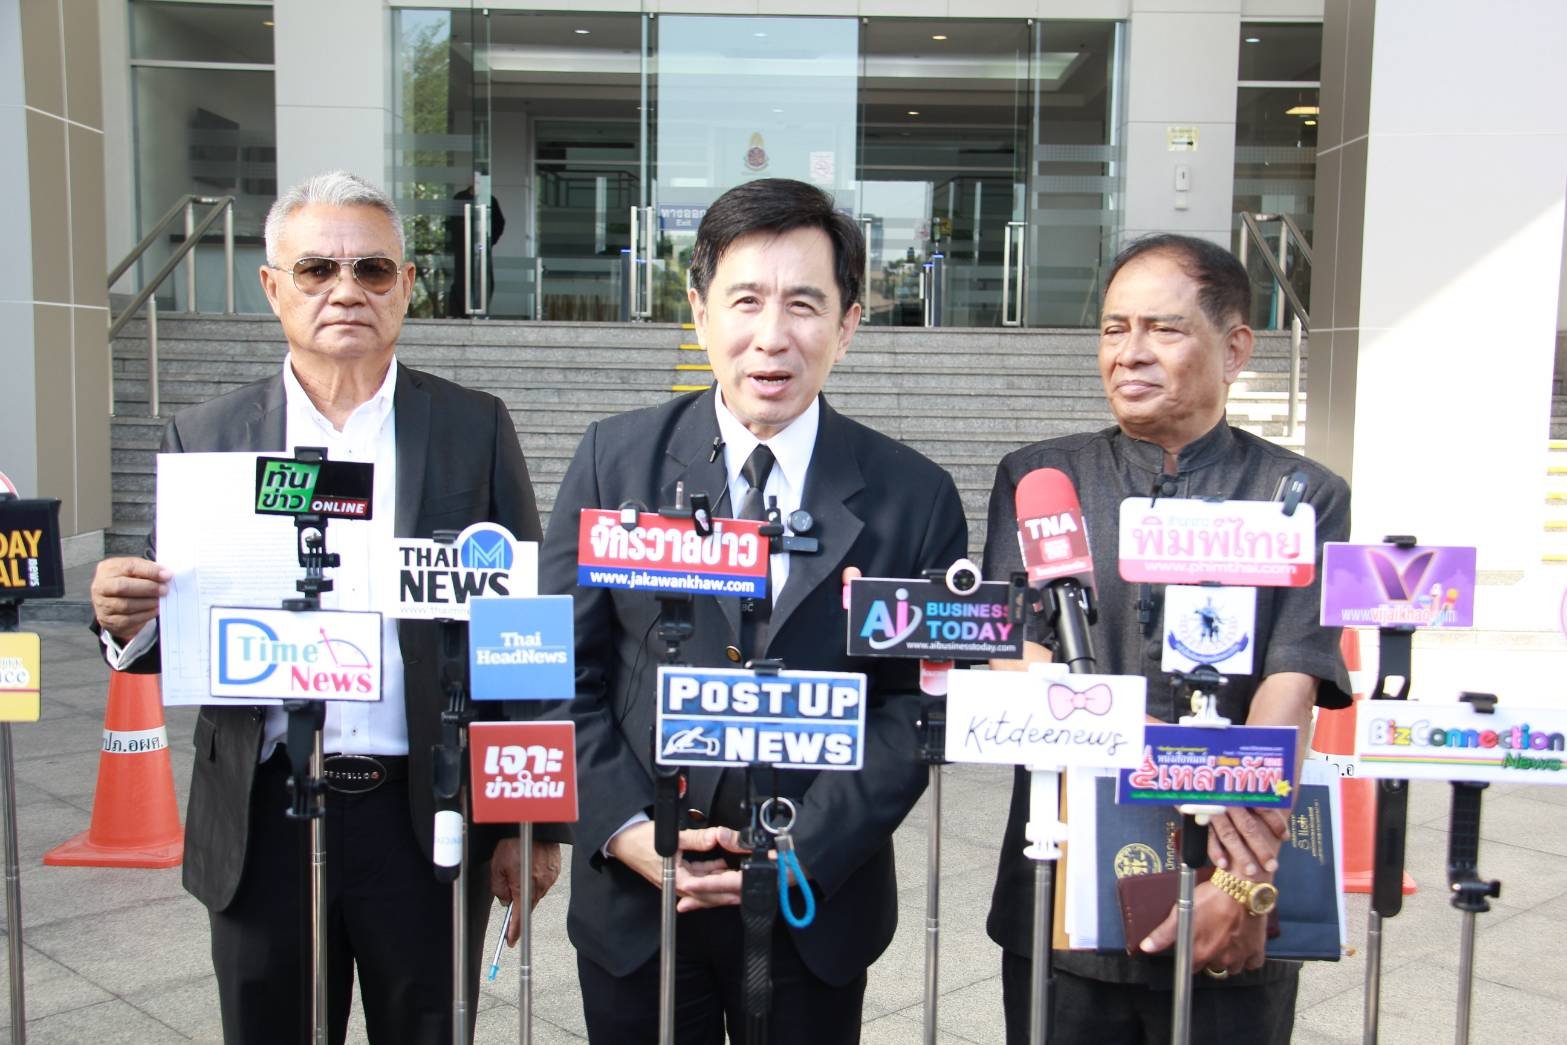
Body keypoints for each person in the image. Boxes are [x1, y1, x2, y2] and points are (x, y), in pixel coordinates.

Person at [88, 171, 561, 1045]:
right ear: (273, 286)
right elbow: (172, 628)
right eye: (316, 269)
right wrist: (129, 617)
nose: (346, 290)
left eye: (371, 269)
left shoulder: (472, 428)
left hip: (423, 813)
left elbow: (522, 633)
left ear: (406, 285)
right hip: (264, 814)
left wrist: (530, 820)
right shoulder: (206, 436)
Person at [540, 177, 968, 1043]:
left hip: (816, 905)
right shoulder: (614, 461)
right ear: (700, 312)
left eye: (804, 304)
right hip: (639, 904)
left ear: (847, 324)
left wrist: (807, 845)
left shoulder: (913, 495)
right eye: (745, 300)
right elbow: (554, 665)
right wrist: (624, 826)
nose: (772, 336)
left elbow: (915, 705)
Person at [981, 234, 1351, 1044]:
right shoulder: (1041, 478)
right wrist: (1154, 749)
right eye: (1114, 328)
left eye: (1163, 328)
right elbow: (1020, 661)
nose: (1130, 352)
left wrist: (1240, 883)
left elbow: (1290, 686)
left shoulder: (1299, 495)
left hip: (1230, 897)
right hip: (1062, 887)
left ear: (1235, 348)